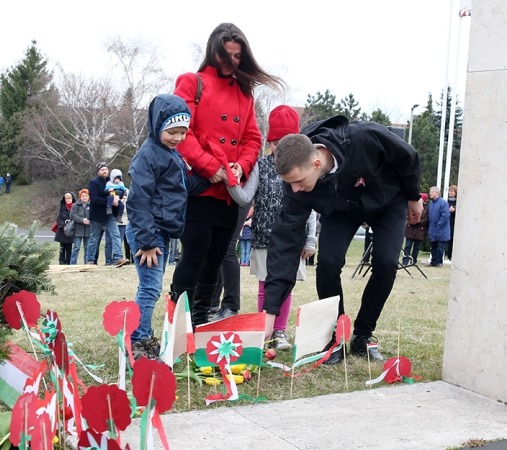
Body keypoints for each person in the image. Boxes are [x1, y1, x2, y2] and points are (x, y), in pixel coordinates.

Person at [262, 117, 423, 365]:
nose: (294, 190)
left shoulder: (363, 137)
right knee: (327, 262)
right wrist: (271, 311)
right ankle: (335, 337)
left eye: (298, 182)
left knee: (386, 261)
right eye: (289, 183)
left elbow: (407, 156)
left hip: (387, 201)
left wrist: (413, 195)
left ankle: (363, 334)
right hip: (341, 210)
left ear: (316, 163)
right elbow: (285, 245)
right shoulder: (296, 187)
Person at [169, 23, 283, 326]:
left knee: (217, 256)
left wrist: (241, 167)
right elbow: (182, 132)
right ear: (212, 51)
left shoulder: (245, 95)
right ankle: (178, 322)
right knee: (194, 253)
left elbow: (252, 139)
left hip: (229, 192)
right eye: (225, 55)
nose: (231, 62)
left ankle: (201, 320)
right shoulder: (192, 82)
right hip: (199, 187)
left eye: (236, 56)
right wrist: (210, 167)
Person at [126, 94, 209, 360]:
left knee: (152, 287)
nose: (178, 138)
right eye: (172, 131)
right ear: (157, 125)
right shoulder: (148, 156)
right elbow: (138, 201)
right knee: (150, 287)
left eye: (183, 133)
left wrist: (212, 178)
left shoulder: (171, 155)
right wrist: (148, 242)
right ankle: (138, 341)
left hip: (161, 232)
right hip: (148, 234)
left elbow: (183, 187)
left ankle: (143, 336)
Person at [249, 105, 316, 350]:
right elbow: (247, 194)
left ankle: (279, 331)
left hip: (292, 239)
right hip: (264, 236)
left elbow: (311, 208)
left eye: (285, 141)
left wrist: (309, 240)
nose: (279, 148)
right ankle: (262, 329)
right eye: (275, 142)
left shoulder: (307, 168)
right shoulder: (260, 166)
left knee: (286, 285)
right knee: (265, 285)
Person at [86, 163, 129, 266]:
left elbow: (120, 191)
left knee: (116, 235)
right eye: (102, 169)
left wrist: (119, 197)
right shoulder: (94, 182)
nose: (104, 171)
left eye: (106, 169)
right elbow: (94, 198)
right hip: (97, 214)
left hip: (109, 214)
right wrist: (109, 201)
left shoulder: (113, 182)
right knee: (94, 238)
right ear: (98, 171)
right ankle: (90, 260)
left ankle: (118, 258)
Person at [403, 193, 429, 266]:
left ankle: (414, 261)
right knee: (408, 246)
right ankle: (405, 261)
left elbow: (426, 219)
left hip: (420, 231)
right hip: (410, 230)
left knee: (416, 248)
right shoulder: (411, 207)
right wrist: (412, 220)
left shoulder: (426, 209)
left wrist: (418, 222)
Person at [428, 186, 451, 267]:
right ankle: (433, 261)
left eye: (432, 192)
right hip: (433, 229)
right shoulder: (430, 204)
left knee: (440, 248)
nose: (430, 193)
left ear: (437, 193)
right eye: (430, 191)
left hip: (442, 230)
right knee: (433, 247)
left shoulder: (443, 203)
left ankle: (439, 262)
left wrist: (439, 225)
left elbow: (445, 215)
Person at [70, 189, 91, 264]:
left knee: (87, 248)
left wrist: (89, 221)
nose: (84, 197)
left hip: (88, 230)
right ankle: (73, 263)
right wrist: (82, 220)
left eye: (86, 196)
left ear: (88, 197)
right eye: (83, 196)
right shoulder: (75, 205)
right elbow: (73, 215)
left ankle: (86, 263)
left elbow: (94, 215)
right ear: (80, 197)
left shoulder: (91, 205)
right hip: (78, 230)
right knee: (76, 247)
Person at [54, 192, 75, 265]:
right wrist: (63, 226)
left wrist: (71, 226)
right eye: (66, 198)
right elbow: (58, 218)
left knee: (69, 247)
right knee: (62, 247)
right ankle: (61, 261)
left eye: (69, 198)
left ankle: (69, 261)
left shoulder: (75, 207)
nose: (68, 200)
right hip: (62, 230)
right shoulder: (62, 207)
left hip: (71, 230)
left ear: (72, 199)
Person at [446, 185, 457, 261]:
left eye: (452, 191)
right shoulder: (446, 201)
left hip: (453, 223)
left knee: (452, 240)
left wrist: (454, 211)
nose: (450, 192)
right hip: (446, 222)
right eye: (449, 191)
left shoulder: (457, 202)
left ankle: (450, 256)